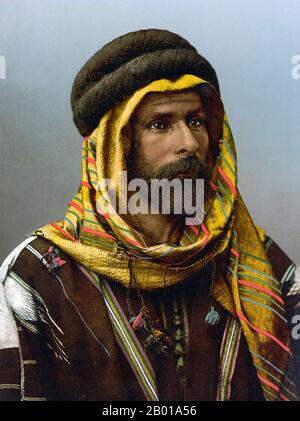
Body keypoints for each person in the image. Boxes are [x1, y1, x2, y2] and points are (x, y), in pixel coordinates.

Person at [0, 28, 299, 401]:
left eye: (195, 121)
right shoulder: (36, 277)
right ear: (115, 147)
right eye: (160, 124)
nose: (189, 143)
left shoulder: (262, 261)